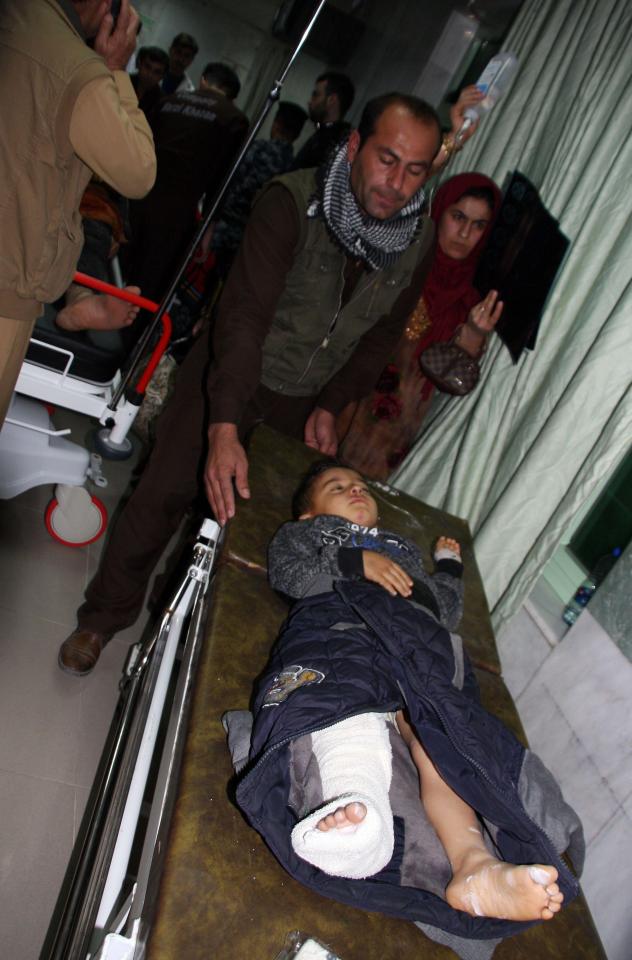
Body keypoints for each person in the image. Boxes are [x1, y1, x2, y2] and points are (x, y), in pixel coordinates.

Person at [58, 91, 446, 676]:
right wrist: (223, 425)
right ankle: (101, 618)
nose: (397, 183)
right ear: (356, 146)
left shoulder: (416, 242)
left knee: (230, 523)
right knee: (163, 495)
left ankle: (171, 632)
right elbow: (242, 318)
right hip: (228, 374)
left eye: (415, 170)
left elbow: (379, 338)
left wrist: (333, 405)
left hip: (300, 401)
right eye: (387, 159)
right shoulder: (291, 203)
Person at [235, 459, 576, 931]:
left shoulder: (403, 550)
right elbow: (288, 573)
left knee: (440, 738)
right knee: (343, 697)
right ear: (310, 515)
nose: (355, 490)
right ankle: (357, 805)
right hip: (342, 622)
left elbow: (444, 608)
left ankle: (474, 865)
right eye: (337, 487)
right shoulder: (309, 535)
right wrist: (357, 561)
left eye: (360, 486)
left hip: (416, 643)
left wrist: (449, 567)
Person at [0, 0, 156, 428]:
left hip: (80, 209)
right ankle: (81, 298)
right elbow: (138, 171)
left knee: (93, 231)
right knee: (87, 234)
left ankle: (82, 298)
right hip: (9, 280)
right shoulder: (73, 65)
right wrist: (117, 71)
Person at [338, 172, 504, 480]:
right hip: (337, 403)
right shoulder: (398, 259)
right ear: (439, 212)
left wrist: (474, 334)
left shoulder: (471, 303)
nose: (465, 232)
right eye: (458, 217)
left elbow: (451, 382)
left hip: (386, 440)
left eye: (479, 225)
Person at [122, 61, 249, 304]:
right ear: (231, 95)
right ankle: (130, 338)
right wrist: (208, 229)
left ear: (203, 80)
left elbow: (138, 143)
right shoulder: (233, 119)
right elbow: (224, 179)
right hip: (176, 216)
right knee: (149, 288)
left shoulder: (169, 101)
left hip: (136, 199)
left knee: (117, 272)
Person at [205, 101, 308, 279]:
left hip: (225, 227)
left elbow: (231, 181)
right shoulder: (293, 168)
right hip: (251, 240)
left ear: (277, 123)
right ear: (297, 135)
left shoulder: (259, 148)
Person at [292, 71, 355, 170]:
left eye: (316, 95)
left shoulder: (334, 144)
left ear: (331, 100)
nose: (310, 101)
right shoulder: (324, 134)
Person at [130, 45, 169, 118]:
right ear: (139, 64)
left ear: (162, 76)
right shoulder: (122, 83)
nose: (150, 75)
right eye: (147, 67)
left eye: (157, 72)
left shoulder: (161, 102)